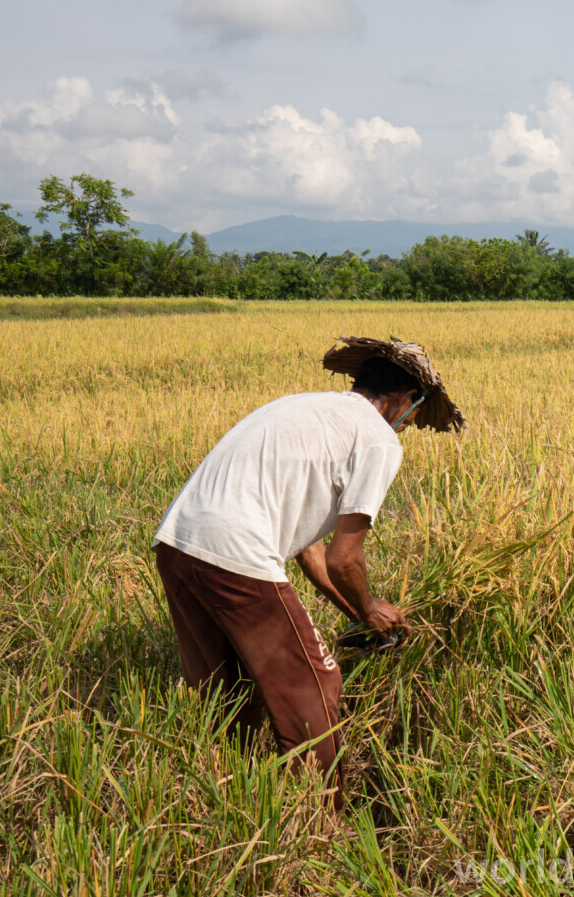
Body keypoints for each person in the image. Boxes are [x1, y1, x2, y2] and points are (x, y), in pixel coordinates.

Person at [152, 336, 464, 809]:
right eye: (416, 410)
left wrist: (356, 616)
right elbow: (344, 558)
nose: (412, 422)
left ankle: (232, 795)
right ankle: (319, 819)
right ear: (405, 397)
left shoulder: (304, 408)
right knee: (317, 683)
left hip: (176, 543)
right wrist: (372, 605)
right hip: (237, 554)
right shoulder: (378, 439)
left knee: (228, 687)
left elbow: (309, 550)